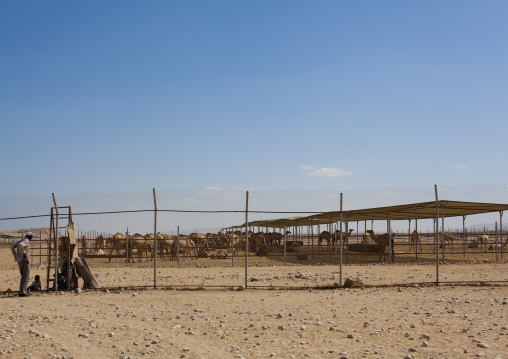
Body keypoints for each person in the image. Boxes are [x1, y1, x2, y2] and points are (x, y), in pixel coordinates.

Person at [11, 231, 33, 297]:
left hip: (19, 261)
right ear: (30, 236)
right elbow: (20, 245)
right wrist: (24, 253)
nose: (31, 238)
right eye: (31, 237)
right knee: (26, 276)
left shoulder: (21, 239)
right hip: (24, 260)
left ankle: (22, 291)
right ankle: (23, 292)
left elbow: (12, 246)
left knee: (23, 276)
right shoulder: (26, 240)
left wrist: (15, 255)